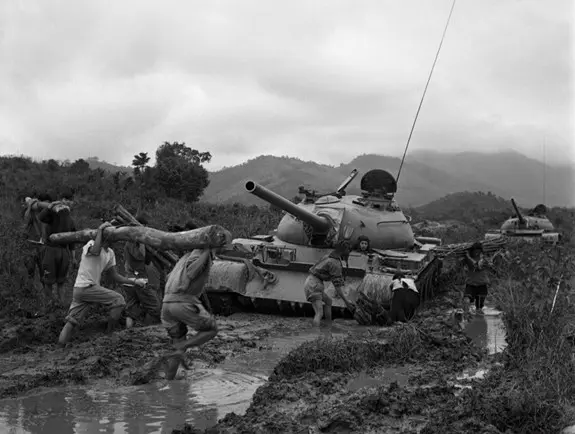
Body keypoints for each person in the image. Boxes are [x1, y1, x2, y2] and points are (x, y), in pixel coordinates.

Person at [58, 222, 146, 346]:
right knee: (118, 300)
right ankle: (109, 335)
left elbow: (115, 276)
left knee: (72, 320)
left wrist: (134, 281)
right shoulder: (91, 244)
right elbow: (95, 252)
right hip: (85, 287)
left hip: (84, 289)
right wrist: (99, 230)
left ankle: (60, 346)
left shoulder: (110, 253)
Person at [160, 228, 233, 380]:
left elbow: (168, 278)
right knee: (212, 329)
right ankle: (180, 348)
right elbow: (192, 272)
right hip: (183, 301)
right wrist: (207, 252)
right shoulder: (201, 254)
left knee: (178, 342)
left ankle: (169, 381)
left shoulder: (185, 257)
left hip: (166, 304)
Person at [35, 192, 78, 305]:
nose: (69, 202)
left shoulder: (71, 220)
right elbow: (40, 217)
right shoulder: (53, 214)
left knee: (61, 282)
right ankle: (49, 306)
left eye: (71, 200)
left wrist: (73, 258)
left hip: (64, 252)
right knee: (48, 282)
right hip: (50, 250)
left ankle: (61, 306)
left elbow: (72, 241)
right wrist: (50, 207)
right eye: (66, 199)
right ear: (62, 200)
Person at [123, 213, 162, 328]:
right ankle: (145, 331)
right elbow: (140, 256)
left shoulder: (128, 241)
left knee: (131, 311)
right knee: (154, 308)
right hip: (139, 280)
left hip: (129, 280)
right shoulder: (135, 242)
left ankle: (127, 333)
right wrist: (142, 242)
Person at [304, 240, 355, 328]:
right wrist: (346, 302)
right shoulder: (335, 264)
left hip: (311, 282)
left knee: (328, 301)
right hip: (314, 285)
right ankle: (315, 334)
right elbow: (337, 286)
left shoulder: (328, 256)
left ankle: (328, 326)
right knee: (319, 313)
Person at [463, 242, 491, 314]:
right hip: (471, 283)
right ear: (472, 251)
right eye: (475, 251)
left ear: (481, 251)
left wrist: (467, 256)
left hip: (482, 284)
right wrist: (467, 256)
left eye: (478, 251)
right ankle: (466, 316)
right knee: (466, 300)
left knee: (479, 308)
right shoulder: (468, 258)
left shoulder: (484, 259)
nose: (476, 253)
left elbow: (477, 266)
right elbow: (469, 264)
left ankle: (478, 321)